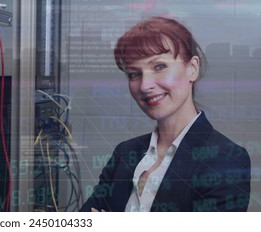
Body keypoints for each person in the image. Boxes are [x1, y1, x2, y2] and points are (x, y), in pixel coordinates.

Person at [80, 16, 251, 212]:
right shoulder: (125, 153)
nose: (145, 85)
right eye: (134, 74)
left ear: (192, 69)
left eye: (159, 67)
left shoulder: (226, 158)